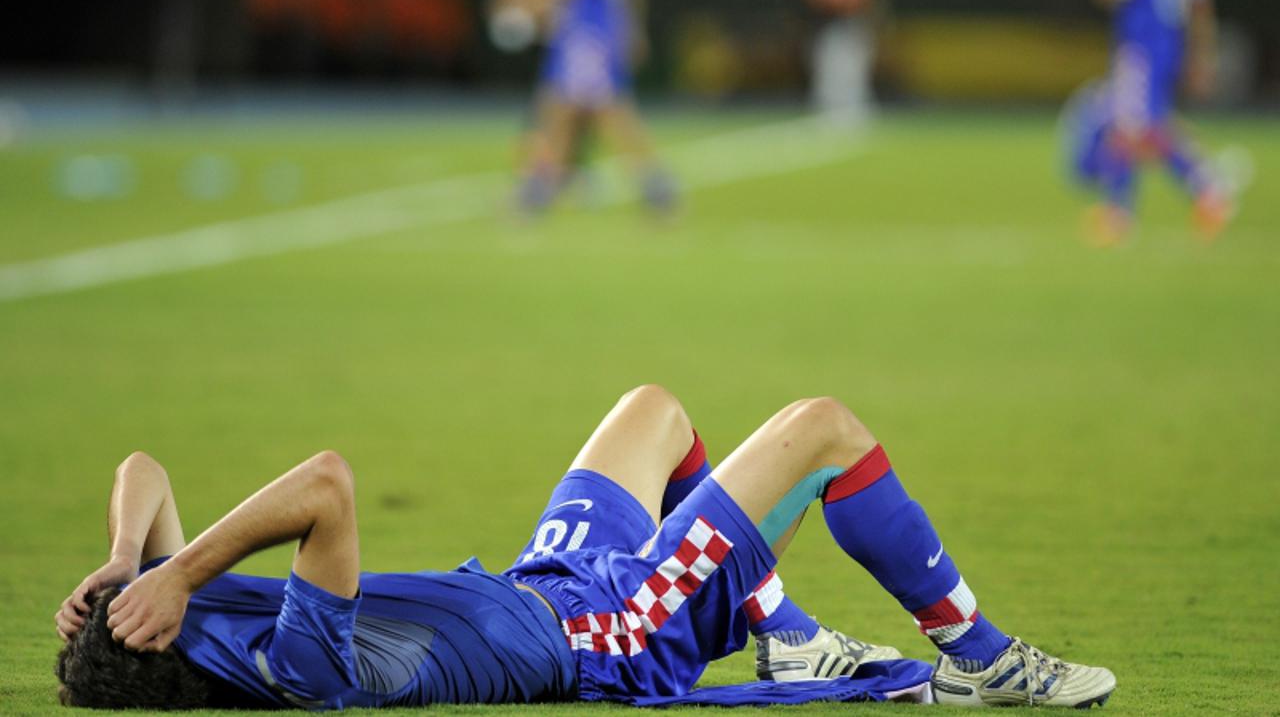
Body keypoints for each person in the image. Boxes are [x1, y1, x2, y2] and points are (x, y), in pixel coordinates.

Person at [55, 386, 1116, 708]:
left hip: (543, 582)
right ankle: (983, 658)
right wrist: (180, 572)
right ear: (164, 643)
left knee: (652, 410)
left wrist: (123, 560)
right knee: (824, 429)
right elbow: (326, 485)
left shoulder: (208, 640)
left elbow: (142, 469)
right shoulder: (294, 669)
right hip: (606, 631)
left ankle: (782, 631)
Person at [489, 0, 676, 216]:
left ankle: (655, 185)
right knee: (561, 104)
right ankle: (540, 189)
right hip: (582, 22)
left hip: (592, 23)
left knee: (603, 109)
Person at [1069, 0, 1234, 246]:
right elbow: (1200, 4)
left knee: (1133, 128)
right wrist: (1200, 56)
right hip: (1171, 43)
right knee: (1138, 125)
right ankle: (1196, 193)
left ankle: (1190, 190)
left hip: (1140, 45)